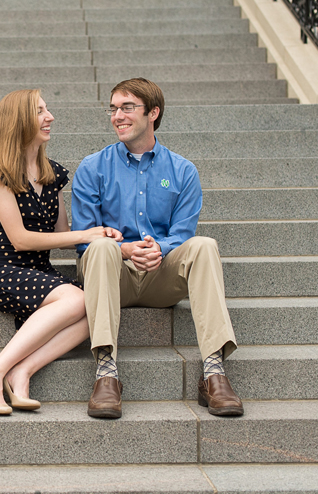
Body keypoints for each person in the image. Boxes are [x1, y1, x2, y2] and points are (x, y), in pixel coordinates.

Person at [71, 78, 243, 419]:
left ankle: (214, 372)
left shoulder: (183, 171)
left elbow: (183, 234)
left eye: (127, 107)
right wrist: (125, 249)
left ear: (153, 113)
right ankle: (106, 372)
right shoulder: (93, 168)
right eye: (113, 108)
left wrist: (158, 249)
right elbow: (82, 239)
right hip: (111, 276)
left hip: (159, 277)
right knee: (102, 247)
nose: (117, 115)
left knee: (205, 246)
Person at [0, 89, 123, 416]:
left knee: (96, 306)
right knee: (76, 300)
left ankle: (21, 371)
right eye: (41, 111)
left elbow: (61, 236)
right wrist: (85, 233)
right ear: (20, 121)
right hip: (3, 270)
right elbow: (20, 240)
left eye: (47, 109)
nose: (50, 116)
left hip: (40, 272)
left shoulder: (51, 173)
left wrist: (104, 237)